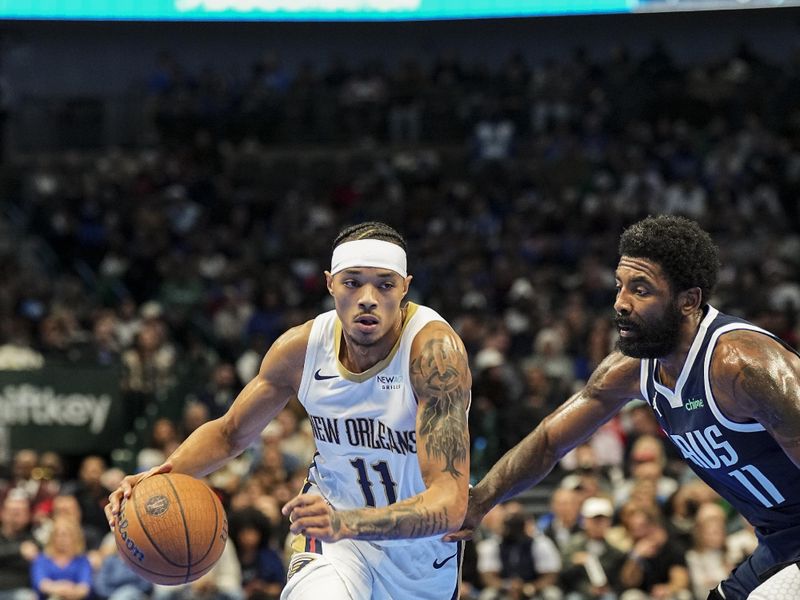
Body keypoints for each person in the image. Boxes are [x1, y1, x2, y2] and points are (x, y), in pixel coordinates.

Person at [107, 221, 472, 600]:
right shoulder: (300, 350)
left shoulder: (433, 354)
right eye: (352, 282)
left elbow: (449, 503)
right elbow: (229, 433)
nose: (367, 297)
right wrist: (152, 479)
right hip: (333, 536)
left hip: (419, 554)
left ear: (405, 287)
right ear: (330, 283)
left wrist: (350, 523)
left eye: (384, 284)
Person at [447, 215, 800, 600]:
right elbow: (550, 441)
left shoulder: (744, 368)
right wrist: (480, 500)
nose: (620, 303)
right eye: (620, 287)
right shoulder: (632, 370)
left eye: (641, 290)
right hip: (779, 542)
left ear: (689, 300)